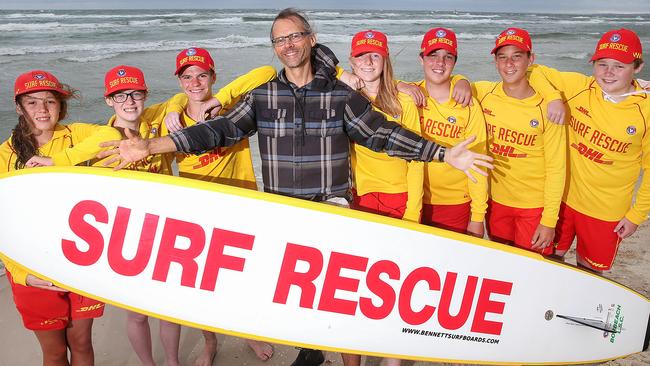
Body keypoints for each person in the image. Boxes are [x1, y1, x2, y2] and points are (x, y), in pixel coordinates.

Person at [98, 8, 493, 366]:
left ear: (310, 39)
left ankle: (350, 361)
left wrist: (443, 154)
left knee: (341, 304)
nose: (288, 44)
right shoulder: (263, 96)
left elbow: (382, 133)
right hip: (285, 214)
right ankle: (310, 351)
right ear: (276, 47)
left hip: (332, 209)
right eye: (280, 39)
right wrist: (151, 144)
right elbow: (216, 131)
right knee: (299, 303)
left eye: (295, 36)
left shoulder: (340, 95)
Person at [163, 47, 276, 364]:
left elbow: (266, 73)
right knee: (201, 286)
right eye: (187, 77)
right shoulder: (171, 120)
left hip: (241, 205)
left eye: (201, 74)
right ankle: (209, 341)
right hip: (199, 214)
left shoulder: (234, 106)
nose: (195, 82)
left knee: (244, 278)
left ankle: (249, 333)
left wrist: (219, 97)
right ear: (179, 81)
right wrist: (173, 106)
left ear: (213, 76)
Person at [0, 70, 119, 366]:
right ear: (19, 107)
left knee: (81, 342)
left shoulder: (75, 135)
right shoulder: (5, 155)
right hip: (33, 268)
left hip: (81, 259)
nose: (42, 109)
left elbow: (111, 134)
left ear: (60, 106)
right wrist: (21, 273)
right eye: (32, 102)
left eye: (50, 101)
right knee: (53, 352)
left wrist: (59, 161)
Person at [529, 28, 649, 272]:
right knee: (549, 264)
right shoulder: (579, 87)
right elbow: (533, 70)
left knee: (590, 273)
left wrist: (637, 215)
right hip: (563, 200)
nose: (608, 72)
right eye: (602, 64)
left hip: (605, 211)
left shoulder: (645, 111)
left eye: (619, 66)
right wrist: (553, 98)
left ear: (637, 67)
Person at [473, 28, 566, 255]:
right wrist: (405, 86)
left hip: (534, 207)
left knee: (532, 270)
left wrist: (549, 221)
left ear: (530, 59)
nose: (509, 64)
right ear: (495, 62)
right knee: (502, 265)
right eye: (502, 57)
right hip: (495, 203)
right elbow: (443, 85)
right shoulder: (484, 92)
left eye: (517, 56)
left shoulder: (549, 108)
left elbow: (557, 168)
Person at [411, 27, 488, 237]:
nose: (440, 63)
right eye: (433, 55)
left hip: (454, 203)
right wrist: (400, 85)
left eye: (448, 57)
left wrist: (478, 217)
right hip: (412, 199)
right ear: (421, 59)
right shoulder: (409, 96)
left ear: (454, 63)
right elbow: (378, 84)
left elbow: (479, 161)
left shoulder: (468, 104)